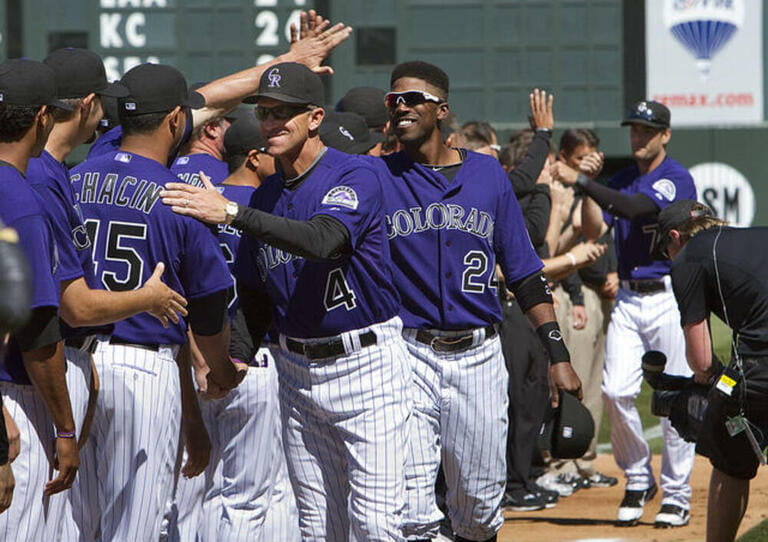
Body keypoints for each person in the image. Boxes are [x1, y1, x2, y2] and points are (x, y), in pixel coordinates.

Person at [159, 62, 412, 542]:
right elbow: (256, 294)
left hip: (367, 366)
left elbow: (324, 241)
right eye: (265, 112)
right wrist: (234, 356)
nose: (270, 123)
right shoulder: (270, 191)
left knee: (377, 526)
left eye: (284, 113)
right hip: (295, 372)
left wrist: (231, 211)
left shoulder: (355, 171)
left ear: (315, 118)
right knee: (318, 529)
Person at [377, 61, 581, 542]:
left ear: (442, 111)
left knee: (478, 509)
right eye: (394, 100)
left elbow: (526, 273)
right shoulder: (378, 175)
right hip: (407, 354)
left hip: (477, 357)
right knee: (411, 505)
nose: (401, 106)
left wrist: (557, 354)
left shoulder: (487, 175)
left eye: (413, 99)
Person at [68, 63, 238, 542]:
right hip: (143, 370)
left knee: (75, 525)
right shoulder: (180, 196)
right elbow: (207, 305)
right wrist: (219, 367)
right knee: (136, 529)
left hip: (75, 366)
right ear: (176, 121)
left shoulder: (74, 179)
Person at [25, 47, 191, 538]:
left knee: (75, 527)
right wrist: (148, 298)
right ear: (87, 104)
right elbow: (73, 307)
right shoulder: (38, 179)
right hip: (50, 368)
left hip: (83, 363)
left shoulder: (67, 172)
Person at [559, 100, 697, 527]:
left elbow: (639, 210)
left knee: (673, 398)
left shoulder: (675, 177)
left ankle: (676, 493)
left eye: (647, 130)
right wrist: (589, 187)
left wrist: (582, 179)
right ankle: (639, 478)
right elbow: (592, 228)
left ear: (665, 135)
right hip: (630, 300)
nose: (639, 137)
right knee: (617, 391)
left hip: (668, 296)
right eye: (634, 130)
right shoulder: (618, 180)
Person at [166, 114, 300, 542]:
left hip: (196, 357)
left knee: (198, 488)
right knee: (259, 493)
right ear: (255, 156)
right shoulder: (267, 208)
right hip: (254, 359)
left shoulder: (197, 201)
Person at [653, 199, 767, 542]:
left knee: (730, 462)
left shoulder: (687, 258)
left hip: (759, 363)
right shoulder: (754, 236)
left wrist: (711, 384)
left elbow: (701, 360)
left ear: (674, 237)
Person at [0, 58, 80, 541]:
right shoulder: (22, 203)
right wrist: (65, 431)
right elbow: (36, 334)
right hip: (13, 400)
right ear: (42, 118)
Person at [548, 128, 619, 490]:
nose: (584, 164)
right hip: (561, 292)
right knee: (566, 383)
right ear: (562, 158)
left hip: (591, 293)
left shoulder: (585, 188)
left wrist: (587, 181)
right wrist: (575, 297)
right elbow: (554, 247)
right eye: (578, 159)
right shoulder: (550, 188)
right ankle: (560, 460)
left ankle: (584, 460)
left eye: (590, 156)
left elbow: (599, 230)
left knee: (591, 384)